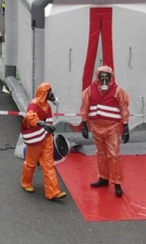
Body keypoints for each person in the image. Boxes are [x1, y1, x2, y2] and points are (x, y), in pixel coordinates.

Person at [78, 65, 131, 197]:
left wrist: (126, 126)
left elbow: (124, 108)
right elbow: (85, 106)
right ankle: (104, 177)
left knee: (114, 155)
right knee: (101, 154)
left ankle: (117, 183)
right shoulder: (90, 90)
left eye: (106, 76)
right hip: (96, 127)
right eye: (101, 76)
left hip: (112, 128)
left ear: (111, 77)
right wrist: (84, 123)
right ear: (98, 77)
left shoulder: (118, 91)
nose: (104, 79)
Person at [20, 82, 67, 201]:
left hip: (46, 138)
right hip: (36, 139)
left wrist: (48, 129)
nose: (52, 94)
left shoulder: (47, 105)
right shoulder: (34, 105)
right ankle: (26, 182)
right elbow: (30, 117)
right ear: (45, 93)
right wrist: (42, 124)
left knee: (48, 164)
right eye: (50, 92)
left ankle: (53, 192)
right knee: (31, 163)